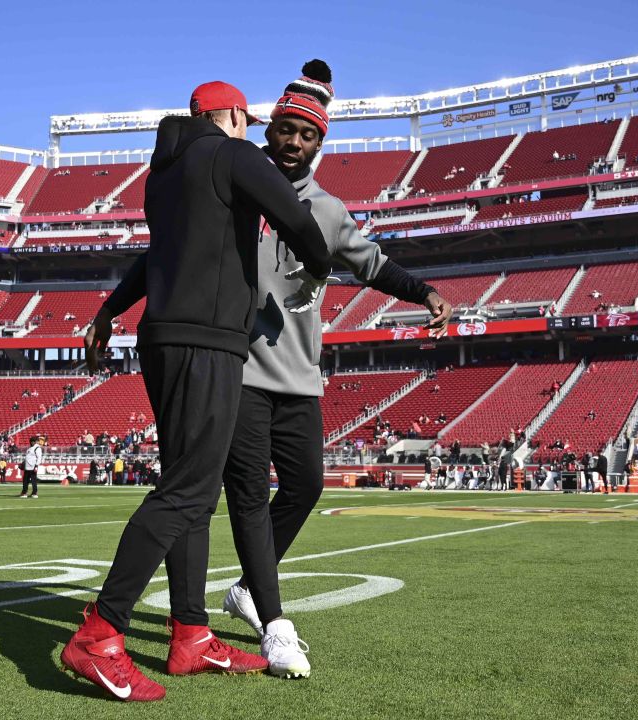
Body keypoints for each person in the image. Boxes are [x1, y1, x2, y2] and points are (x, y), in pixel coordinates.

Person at [65, 79, 333, 700]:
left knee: (191, 485)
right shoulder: (235, 154)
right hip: (207, 343)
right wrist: (319, 265)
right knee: (187, 492)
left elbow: (157, 256)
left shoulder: (163, 172)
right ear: (235, 115)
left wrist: (108, 311)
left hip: (160, 337)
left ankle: (189, 633)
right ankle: (101, 632)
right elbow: (296, 215)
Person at [213, 61, 453, 678]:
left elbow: (373, 265)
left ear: (321, 142)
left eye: (307, 134)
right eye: (286, 130)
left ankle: (245, 589)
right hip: (239, 371)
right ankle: (275, 624)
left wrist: (424, 292)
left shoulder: (328, 210)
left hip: (298, 377)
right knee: (246, 496)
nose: (294, 142)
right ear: (267, 132)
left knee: (306, 487)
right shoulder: (235, 189)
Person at [19, 435, 44, 499]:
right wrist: (23, 464)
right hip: (27, 467)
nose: (32, 442)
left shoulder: (37, 448)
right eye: (31, 441)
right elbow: (27, 458)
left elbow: (39, 458)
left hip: (33, 467)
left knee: (33, 481)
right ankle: (24, 492)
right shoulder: (29, 448)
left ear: (35, 442)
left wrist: (36, 466)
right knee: (25, 481)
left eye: (33, 441)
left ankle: (34, 493)